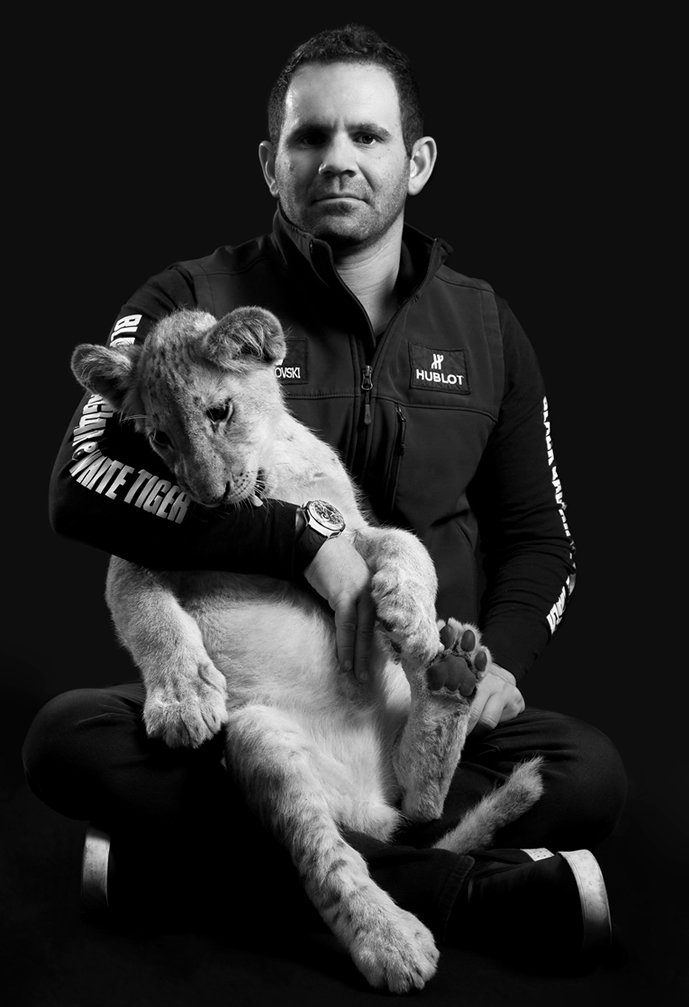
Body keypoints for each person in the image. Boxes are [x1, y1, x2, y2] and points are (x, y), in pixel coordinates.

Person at [24, 24, 626, 971]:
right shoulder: (188, 296)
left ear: (417, 161)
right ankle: (459, 890)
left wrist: (497, 663)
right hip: (255, 690)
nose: (337, 158)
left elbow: (539, 537)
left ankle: (181, 873)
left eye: (367, 135)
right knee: (65, 738)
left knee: (589, 773)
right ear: (271, 163)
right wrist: (306, 542)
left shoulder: (485, 324)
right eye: (309, 137)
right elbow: (80, 484)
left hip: (399, 701)